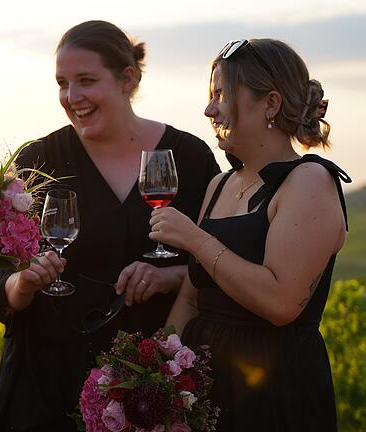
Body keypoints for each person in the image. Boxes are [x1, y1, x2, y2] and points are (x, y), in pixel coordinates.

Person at [0, 20, 220, 432]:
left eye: (86, 81)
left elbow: (220, 264)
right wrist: (23, 283)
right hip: (44, 387)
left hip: (148, 392)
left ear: (127, 78)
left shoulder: (190, 157)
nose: (71, 97)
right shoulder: (39, 159)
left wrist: (170, 277)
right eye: (62, 83)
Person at [151, 38, 351, 431]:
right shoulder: (220, 185)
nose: (209, 109)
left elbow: (281, 302)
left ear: (270, 104)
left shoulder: (308, 182)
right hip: (206, 390)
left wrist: (195, 239)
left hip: (274, 392)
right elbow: (193, 298)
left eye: (221, 95)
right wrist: (153, 371)